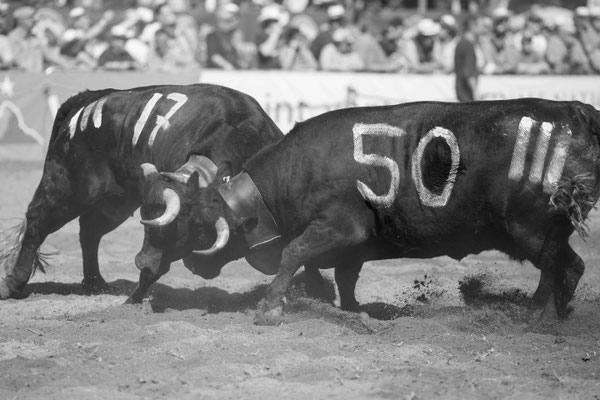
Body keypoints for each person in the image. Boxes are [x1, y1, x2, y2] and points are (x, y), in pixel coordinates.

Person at [206, 3, 242, 69]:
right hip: (218, 74)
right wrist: (227, 66)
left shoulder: (234, 35)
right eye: (229, 20)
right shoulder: (213, 36)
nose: (234, 22)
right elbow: (214, 56)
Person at [454, 16, 479, 102]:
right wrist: (475, 93)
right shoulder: (467, 45)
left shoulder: (461, 43)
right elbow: (468, 72)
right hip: (466, 93)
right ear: (472, 26)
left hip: (462, 91)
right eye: (481, 25)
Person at [255, 5, 285, 69]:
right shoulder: (261, 35)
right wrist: (275, 34)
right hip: (264, 73)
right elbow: (265, 52)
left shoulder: (280, 37)